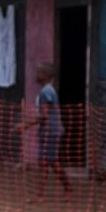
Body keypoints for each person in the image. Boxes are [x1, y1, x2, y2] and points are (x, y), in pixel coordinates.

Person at [15, 63, 71, 200]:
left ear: (46, 75)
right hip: (48, 130)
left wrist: (25, 125)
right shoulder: (46, 91)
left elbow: (44, 115)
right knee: (44, 161)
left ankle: (68, 188)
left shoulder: (46, 92)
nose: (37, 74)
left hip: (51, 131)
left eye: (40, 72)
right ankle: (41, 194)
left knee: (51, 161)